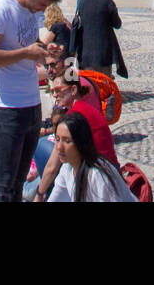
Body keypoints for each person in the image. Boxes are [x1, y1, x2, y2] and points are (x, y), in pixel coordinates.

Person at [0, 0, 63, 201]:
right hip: (8, 110)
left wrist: (46, 51)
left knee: (19, 181)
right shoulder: (0, 11)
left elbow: (29, 43)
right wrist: (26, 52)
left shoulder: (29, 11)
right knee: (4, 186)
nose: (43, 11)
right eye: (43, 5)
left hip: (32, 107)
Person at [34, 72, 119, 201]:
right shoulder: (83, 107)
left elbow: (52, 166)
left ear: (73, 90)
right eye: (52, 91)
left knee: (43, 148)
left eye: (58, 90)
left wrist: (39, 194)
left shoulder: (75, 116)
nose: (55, 95)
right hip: (108, 170)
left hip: (98, 177)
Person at [46, 111, 137, 202]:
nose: (59, 147)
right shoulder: (67, 168)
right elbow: (56, 197)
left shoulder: (97, 175)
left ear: (81, 142)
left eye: (67, 141)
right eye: (57, 139)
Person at [73, 0, 127, 78]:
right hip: (103, 52)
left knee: (89, 84)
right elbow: (117, 24)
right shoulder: (107, 2)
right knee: (103, 82)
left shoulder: (82, 1)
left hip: (85, 51)